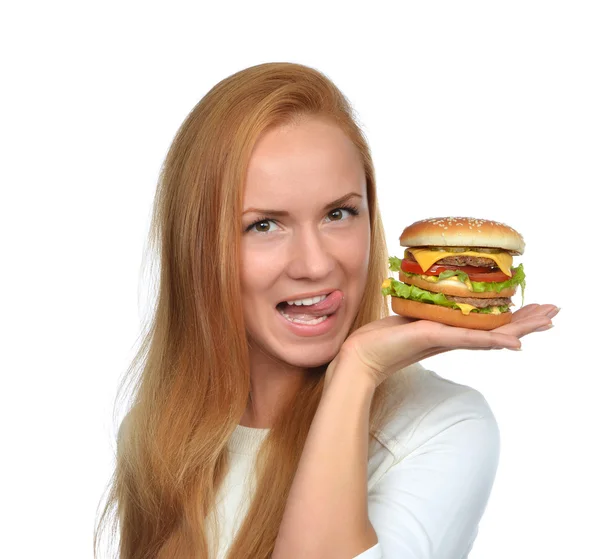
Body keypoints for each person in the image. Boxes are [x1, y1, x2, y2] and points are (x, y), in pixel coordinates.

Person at [93, 62, 559, 559]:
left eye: (339, 214)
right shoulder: (158, 434)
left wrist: (358, 370)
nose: (315, 265)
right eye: (265, 225)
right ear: (197, 247)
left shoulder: (440, 427)